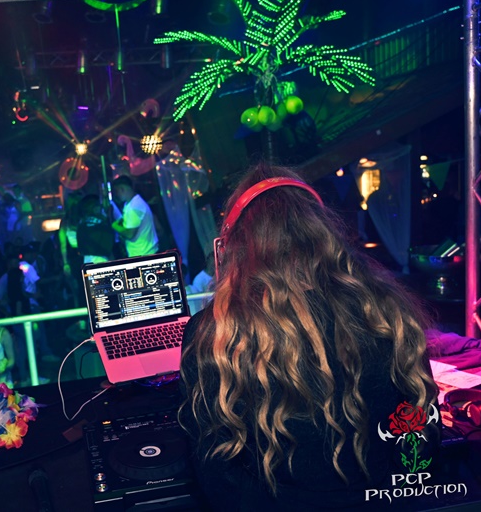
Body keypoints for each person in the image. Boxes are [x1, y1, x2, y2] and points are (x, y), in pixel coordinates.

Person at [179, 165, 438, 510]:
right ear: (323, 232)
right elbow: (422, 440)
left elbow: (217, 476)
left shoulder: (214, 332)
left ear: (232, 247)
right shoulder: (387, 310)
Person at [110, 176, 158, 257]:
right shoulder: (131, 203)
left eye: (116, 191)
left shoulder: (134, 207)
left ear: (122, 189)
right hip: (143, 252)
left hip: (144, 254)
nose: (116, 195)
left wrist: (115, 226)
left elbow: (130, 234)